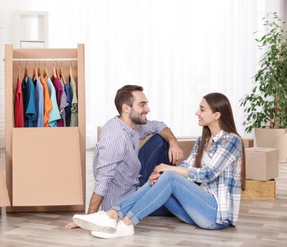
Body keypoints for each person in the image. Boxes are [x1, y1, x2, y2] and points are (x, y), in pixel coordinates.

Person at [72, 92, 246, 238]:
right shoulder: (203, 140)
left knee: (168, 175)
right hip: (195, 212)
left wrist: (168, 168)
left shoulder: (231, 140)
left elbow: (208, 174)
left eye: (202, 109)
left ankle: (125, 222)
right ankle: (112, 214)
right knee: (159, 179)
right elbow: (187, 165)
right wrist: (161, 174)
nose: (196, 113)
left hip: (215, 215)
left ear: (217, 115)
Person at [66, 85, 184, 229]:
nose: (147, 109)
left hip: (135, 182)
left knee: (161, 140)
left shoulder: (131, 125)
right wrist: (90, 218)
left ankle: (169, 184)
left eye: (146, 104)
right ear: (126, 108)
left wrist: (173, 143)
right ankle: (169, 187)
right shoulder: (115, 138)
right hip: (124, 201)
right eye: (142, 105)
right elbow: (102, 181)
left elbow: (158, 126)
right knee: (181, 204)